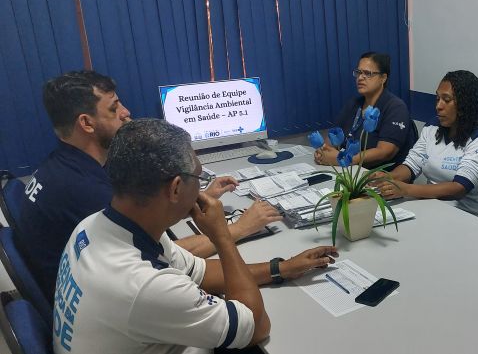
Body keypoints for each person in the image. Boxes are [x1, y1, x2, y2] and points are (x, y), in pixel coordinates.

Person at [52, 118, 337, 353]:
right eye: (199, 179)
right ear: (176, 188)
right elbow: (257, 326)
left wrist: (282, 268)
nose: (202, 189)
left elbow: (200, 272)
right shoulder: (146, 287)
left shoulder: (95, 225)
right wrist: (221, 236)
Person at [16, 70, 279, 306]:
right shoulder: (85, 189)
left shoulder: (64, 167)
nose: (126, 112)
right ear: (86, 123)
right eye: (114, 108)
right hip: (104, 304)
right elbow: (166, 256)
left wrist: (190, 198)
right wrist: (239, 228)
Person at [375, 70, 478, 218]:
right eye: (437, 98)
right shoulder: (433, 126)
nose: (438, 106)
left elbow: (459, 188)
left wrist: (406, 189)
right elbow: (412, 164)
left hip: (466, 217)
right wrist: (389, 178)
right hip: (429, 207)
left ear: (465, 104)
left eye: (446, 100)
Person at [314, 52, 416, 170]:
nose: (360, 77)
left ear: (383, 78)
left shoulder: (395, 107)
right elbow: (332, 138)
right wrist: (324, 151)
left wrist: (347, 159)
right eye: (358, 72)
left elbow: (385, 152)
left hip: (379, 176)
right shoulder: (353, 104)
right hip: (349, 170)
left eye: (368, 73)